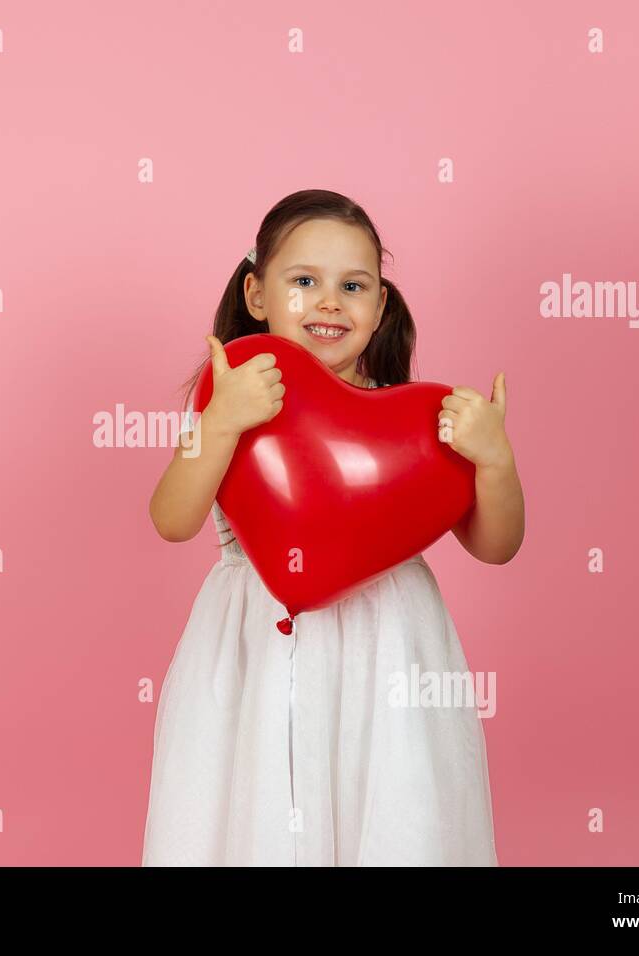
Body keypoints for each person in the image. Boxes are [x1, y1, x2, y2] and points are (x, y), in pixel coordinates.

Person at [142, 188, 525, 866]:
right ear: (257, 294)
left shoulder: (419, 422)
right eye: (304, 282)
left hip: (389, 652)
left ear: (381, 306)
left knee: (388, 798)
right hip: (260, 642)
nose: (329, 302)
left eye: (353, 285)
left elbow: (496, 547)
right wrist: (222, 421)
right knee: (261, 797)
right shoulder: (231, 395)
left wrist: (493, 459)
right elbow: (172, 518)